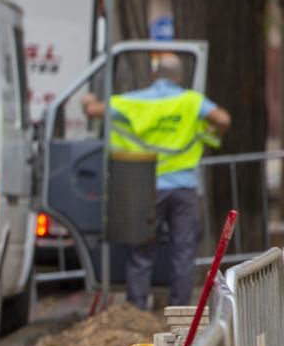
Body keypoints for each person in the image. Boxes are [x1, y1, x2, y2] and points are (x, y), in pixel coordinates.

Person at [82, 52, 231, 310]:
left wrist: (88, 100)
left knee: (141, 251)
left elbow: (94, 111)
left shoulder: (135, 101)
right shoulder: (190, 101)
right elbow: (223, 119)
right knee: (183, 252)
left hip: (146, 187)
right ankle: (180, 310)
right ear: (179, 77)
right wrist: (208, 133)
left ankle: (136, 310)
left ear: (154, 75)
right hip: (183, 187)